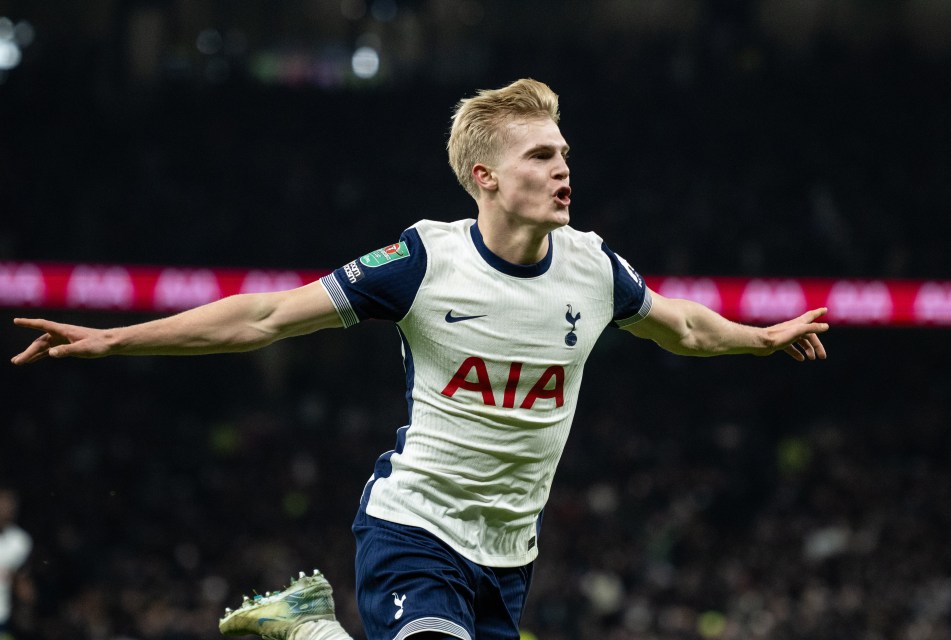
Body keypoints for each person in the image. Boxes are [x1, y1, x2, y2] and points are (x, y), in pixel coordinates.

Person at [10, 78, 828, 640]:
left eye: (564, 153)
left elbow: (680, 327)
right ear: (486, 177)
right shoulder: (423, 264)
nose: (563, 169)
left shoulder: (594, 268)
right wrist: (114, 338)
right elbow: (263, 317)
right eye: (540, 156)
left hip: (511, 554)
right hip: (416, 526)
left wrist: (760, 338)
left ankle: (309, 626)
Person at [0, 488, 32, 640]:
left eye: (11, 503)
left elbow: (22, 581)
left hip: (3, 618)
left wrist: (21, 584)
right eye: (3, 502)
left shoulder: (20, 542)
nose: (7, 508)